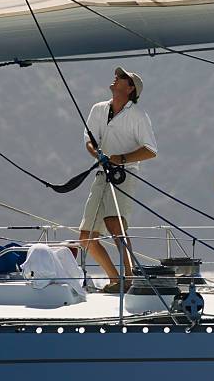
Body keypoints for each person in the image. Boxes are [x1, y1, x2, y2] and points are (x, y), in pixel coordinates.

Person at [78, 67, 158, 293]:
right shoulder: (98, 109)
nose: (116, 78)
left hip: (125, 173)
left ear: (130, 88)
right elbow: (89, 140)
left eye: (122, 78)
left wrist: (121, 158)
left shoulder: (138, 115)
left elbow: (151, 150)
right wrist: (98, 155)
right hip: (102, 173)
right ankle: (115, 279)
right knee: (86, 237)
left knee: (115, 223)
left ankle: (130, 278)